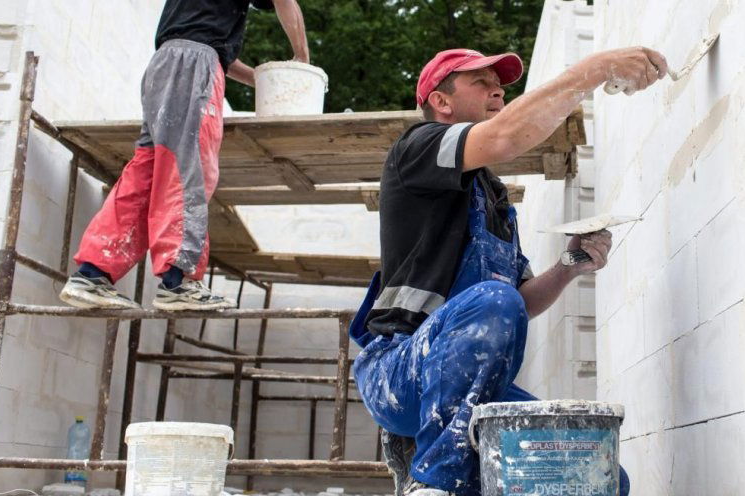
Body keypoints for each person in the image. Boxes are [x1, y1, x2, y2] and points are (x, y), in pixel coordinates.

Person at [348, 46, 668, 496]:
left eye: (499, 83)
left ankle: (453, 475)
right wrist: (597, 70)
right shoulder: (417, 148)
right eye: (480, 81)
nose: (497, 89)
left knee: (593, 467)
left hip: (473, 388)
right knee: (491, 301)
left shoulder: (493, 198)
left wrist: (570, 264)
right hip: (400, 372)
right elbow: (505, 138)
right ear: (441, 101)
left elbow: (521, 300)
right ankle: (434, 482)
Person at [60, 0, 309, 310]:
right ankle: (179, 282)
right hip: (194, 67)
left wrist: (261, 79)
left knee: (146, 176)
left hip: (165, 64)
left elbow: (208, 41)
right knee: (189, 168)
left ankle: (92, 274)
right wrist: (301, 60)